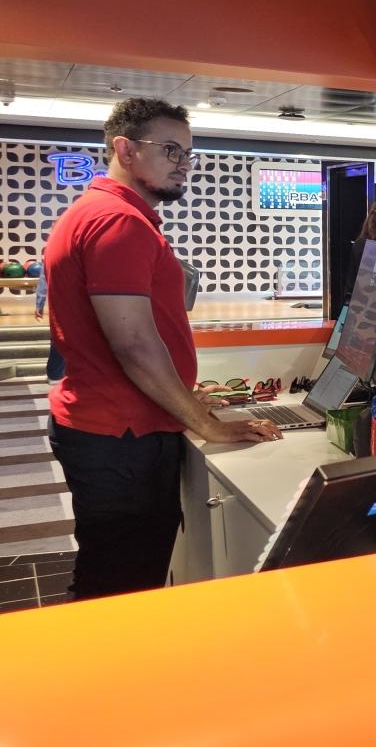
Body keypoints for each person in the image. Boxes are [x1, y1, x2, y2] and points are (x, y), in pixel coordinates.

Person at [45, 98, 282, 601]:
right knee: (122, 588)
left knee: (109, 574)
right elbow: (134, 344)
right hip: (121, 436)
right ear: (125, 150)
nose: (183, 163)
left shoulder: (98, 212)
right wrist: (207, 424)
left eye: (188, 153)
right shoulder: (118, 222)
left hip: (108, 426)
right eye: (170, 149)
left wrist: (186, 402)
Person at [33, 262, 65, 383]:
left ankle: (55, 374)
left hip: (60, 301)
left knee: (59, 337)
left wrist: (39, 304)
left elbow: (43, 280)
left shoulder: (52, 255)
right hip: (76, 301)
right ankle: (56, 374)